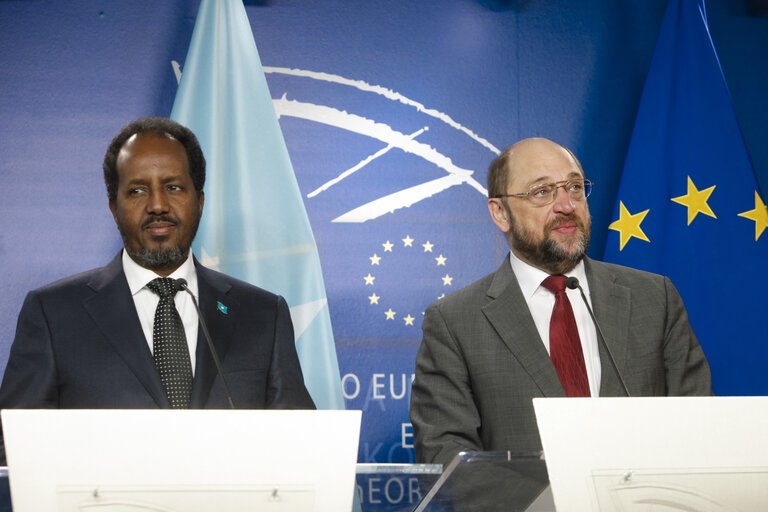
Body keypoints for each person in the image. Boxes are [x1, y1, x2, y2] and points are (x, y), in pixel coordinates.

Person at [0, 117, 315, 463]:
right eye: (137, 190)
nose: (158, 205)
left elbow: (301, 451)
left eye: (174, 187)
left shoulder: (263, 315)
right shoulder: (54, 315)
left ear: (200, 200)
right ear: (113, 207)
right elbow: (13, 454)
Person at [409, 137, 711, 466]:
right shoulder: (455, 322)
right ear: (500, 213)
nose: (567, 205)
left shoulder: (654, 298)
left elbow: (699, 428)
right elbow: (447, 454)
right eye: (542, 192)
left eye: (575, 187)